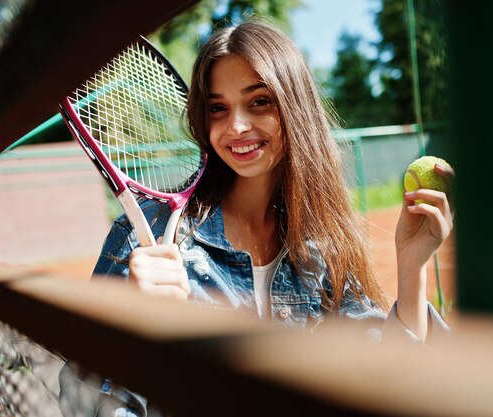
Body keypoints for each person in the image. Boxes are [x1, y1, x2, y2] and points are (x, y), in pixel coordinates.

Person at [59, 18, 454, 417]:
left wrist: (411, 264)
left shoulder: (325, 245)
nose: (236, 126)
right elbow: (85, 404)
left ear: (294, 108)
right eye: (218, 108)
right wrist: (132, 324)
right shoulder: (144, 238)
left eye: (259, 101)